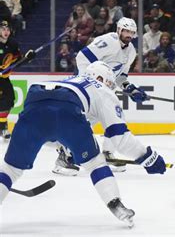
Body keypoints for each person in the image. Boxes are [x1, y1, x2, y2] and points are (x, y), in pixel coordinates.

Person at [0, 62, 166, 227]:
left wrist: (66, 146)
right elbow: (120, 138)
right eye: (110, 82)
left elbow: (48, 127)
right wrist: (147, 157)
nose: (111, 86)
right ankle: (116, 206)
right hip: (68, 107)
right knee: (95, 163)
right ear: (102, 79)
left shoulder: (70, 79)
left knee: (10, 169)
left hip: (35, 98)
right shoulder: (103, 91)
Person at [54, 17, 148, 176]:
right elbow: (82, 57)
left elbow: (120, 77)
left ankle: (106, 153)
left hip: (104, 90)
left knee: (114, 118)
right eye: (126, 31)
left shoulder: (131, 51)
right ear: (119, 30)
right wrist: (90, 83)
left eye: (131, 32)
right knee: (82, 121)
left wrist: (130, 89)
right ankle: (65, 156)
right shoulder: (108, 41)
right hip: (86, 87)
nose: (128, 35)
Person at [0, 21, 34, 139]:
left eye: (7, 29)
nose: (6, 32)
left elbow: (17, 62)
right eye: (3, 29)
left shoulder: (13, 44)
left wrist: (27, 58)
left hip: (3, 78)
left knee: (9, 100)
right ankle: (3, 127)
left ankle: (2, 127)